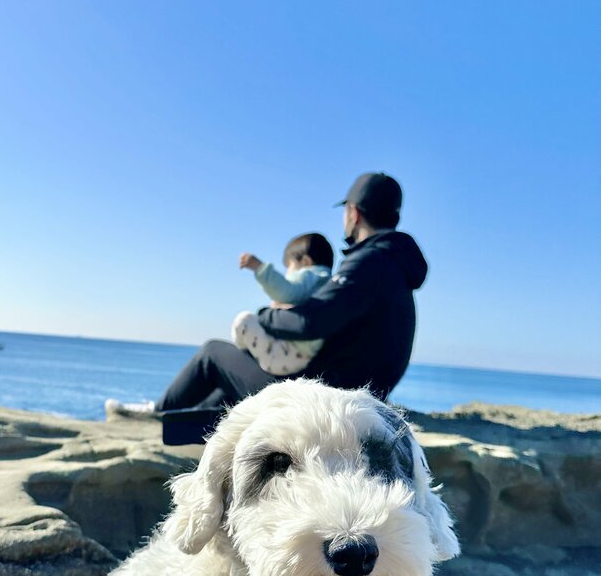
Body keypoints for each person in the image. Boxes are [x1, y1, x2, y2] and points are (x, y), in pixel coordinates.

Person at [104, 172, 427, 418]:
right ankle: (180, 423)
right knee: (233, 375)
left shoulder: (370, 262)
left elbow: (309, 323)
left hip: (325, 398)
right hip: (355, 395)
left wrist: (265, 316)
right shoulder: (395, 264)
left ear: (354, 213)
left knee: (213, 354)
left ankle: (157, 416)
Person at [232, 232, 333, 376]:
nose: (287, 274)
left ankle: (242, 354)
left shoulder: (311, 276)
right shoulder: (328, 285)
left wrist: (259, 268)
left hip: (287, 353)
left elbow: (287, 291)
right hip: (304, 357)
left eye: (289, 267)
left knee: (244, 320)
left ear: (305, 262)